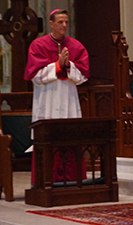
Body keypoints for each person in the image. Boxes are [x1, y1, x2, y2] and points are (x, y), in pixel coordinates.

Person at [24, 9, 90, 182]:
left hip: (68, 99)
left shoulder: (76, 46)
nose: (64, 25)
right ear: (51, 24)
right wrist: (57, 66)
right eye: (60, 22)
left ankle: (73, 180)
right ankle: (46, 181)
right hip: (47, 99)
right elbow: (35, 76)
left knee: (71, 138)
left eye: (66, 21)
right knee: (48, 140)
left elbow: (83, 77)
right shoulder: (38, 45)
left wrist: (68, 66)